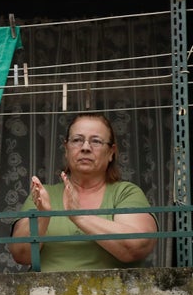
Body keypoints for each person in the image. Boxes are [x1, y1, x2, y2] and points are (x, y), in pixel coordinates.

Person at [9, 113, 157, 271]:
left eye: (96, 141)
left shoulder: (125, 192)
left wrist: (79, 216)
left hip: (112, 294)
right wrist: (43, 217)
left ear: (111, 152)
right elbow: (21, 255)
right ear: (66, 149)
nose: (85, 147)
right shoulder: (43, 194)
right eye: (77, 140)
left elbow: (135, 248)